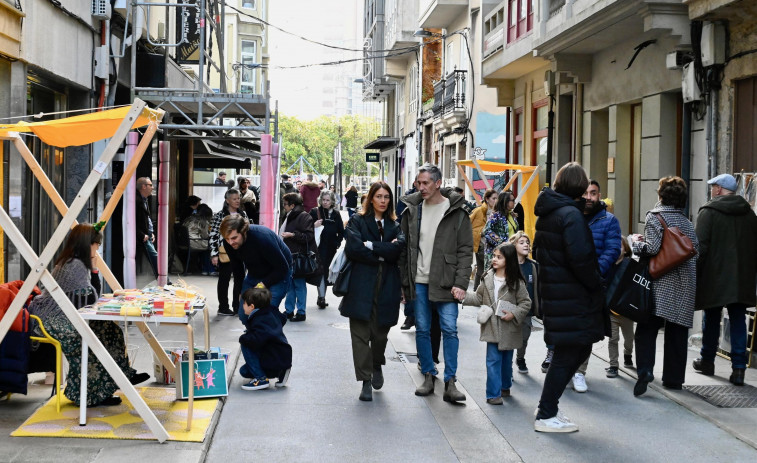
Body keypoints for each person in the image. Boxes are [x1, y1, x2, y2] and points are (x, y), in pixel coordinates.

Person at [29, 223, 149, 407]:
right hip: (51, 319)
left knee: (108, 328)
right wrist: (94, 268)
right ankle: (88, 394)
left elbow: (88, 297)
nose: (98, 249)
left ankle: (117, 379)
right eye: (96, 245)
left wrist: (92, 269)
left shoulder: (73, 261)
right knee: (87, 339)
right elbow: (91, 298)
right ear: (88, 244)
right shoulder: (74, 265)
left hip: (61, 315)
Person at [533, 162, 605, 433]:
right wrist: (597, 285)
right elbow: (582, 259)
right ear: (579, 186)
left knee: (573, 350)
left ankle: (548, 407)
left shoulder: (552, 213)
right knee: (569, 353)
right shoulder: (570, 216)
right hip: (571, 296)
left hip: (558, 293)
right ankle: (546, 412)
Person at [399, 163, 473, 403]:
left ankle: (451, 380)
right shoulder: (412, 211)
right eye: (418, 183)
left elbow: (465, 250)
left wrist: (461, 283)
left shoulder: (456, 212)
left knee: (449, 329)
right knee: (422, 328)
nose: (421, 187)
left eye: (426, 183)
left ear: (437, 183)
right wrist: (404, 284)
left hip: (447, 281)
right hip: (419, 280)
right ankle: (428, 374)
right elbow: (405, 250)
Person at [631, 176, 698, 396]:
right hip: (685, 281)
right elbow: (695, 249)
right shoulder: (687, 222)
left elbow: (652, 248)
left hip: (661, 280)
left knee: (647, 327)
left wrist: (635, 243)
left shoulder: (655, 217)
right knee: (677, 331)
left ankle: (645, 371)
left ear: (661, 195)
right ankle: (674, 379)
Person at [340, 182, 405, 401]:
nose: (383, 201)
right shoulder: (357, 221)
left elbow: (398, 250)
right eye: (379, 196)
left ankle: (377, 363)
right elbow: (354, 248)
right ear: (371, 198)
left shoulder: (396, 224)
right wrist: (382, 253)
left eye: (387, 197)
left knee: (380, 334)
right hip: (361, 283)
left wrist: (372, 246)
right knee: (360, 335)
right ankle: (365, 380)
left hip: (387, 284)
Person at [693, 173, 756, 386]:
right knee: (738, 319)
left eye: (713, 187)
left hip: (715, 276)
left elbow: (699, 249)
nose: (711, 190)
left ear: (719, 189)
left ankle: (707, 361)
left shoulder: (709, 212)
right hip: (741, 278)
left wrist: (695, 274)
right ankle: (739, 369)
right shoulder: (749, 214)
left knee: (711, 317)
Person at [569, 179, 622, 391]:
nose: (589, 198)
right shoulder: (571, 217)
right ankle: (565, 367)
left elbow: (612, 250)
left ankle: (580, 371)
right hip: (570, 283)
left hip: (594, 284)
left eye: (593, 193)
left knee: (587, 330)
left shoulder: (609, 220)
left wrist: (592, 273)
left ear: (599, 195)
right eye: (586, 193)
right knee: (569, 328)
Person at [463, 243, 531, 405]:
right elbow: (479, 298)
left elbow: (526, 303)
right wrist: (462, 296)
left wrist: (513, 313)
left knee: (506, 362)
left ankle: (505, 386)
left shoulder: (516, 282)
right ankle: (493, 394)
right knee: (493, 360)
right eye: (494, 256)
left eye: (499, 257)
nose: (494, 259)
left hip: (509, 329)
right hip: (491, 327)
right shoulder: (487, 278)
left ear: (509, 260)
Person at [219, 215, 292, 321]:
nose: (230, 242)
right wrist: (239, 293)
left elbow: (282, 267)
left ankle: (266, 333)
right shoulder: (229, 243)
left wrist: (262, 284)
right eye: (227, 238)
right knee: (244, 314)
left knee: (265, 313)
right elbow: (237, 269)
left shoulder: (262, 237)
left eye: (234, 238)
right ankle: (254, 333)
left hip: (279, 270)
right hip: (255, 272)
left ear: (243, 231)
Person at [239, 284, 292, 391]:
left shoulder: (260, 319)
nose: (243, 306)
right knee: (244, 371)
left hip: (274, 358)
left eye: (244, 303)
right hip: (282, 356)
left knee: (245, 342)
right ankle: (281, 371)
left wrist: (244, 338)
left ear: (252, 306)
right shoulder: (270, 312)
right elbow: (282, 319)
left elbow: (257, 339)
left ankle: (261, 379)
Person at [209, 188, 248, 316]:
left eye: (238, 198)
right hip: (224, 252)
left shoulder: (243, 214)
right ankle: (223, 307)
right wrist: (214, 254)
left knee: (240, 279)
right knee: (224, 279)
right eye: (234, 199)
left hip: (241, 252)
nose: (238, 201)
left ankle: (237, 306)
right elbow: (213, 234)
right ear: (227, 200)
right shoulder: (220, 216)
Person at [280, 192, 316, 322]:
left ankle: (301, 312)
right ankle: (289, 311)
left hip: (298, 255)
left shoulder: (303, 216)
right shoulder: (290, 215)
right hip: (290, 255)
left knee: (298, 284)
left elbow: (308, 236)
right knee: (291, 284)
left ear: (292, 205)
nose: (284, 207)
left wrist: (293, 235)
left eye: (285, 204)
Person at [605, 237, 636, 376]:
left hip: (626, 311)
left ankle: (627, 354)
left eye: (621, 247)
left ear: (626, 249)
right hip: (611, 310)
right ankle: (613, 366)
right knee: (613, 339)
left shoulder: (630, 265)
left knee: (629, 338)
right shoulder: (608, 265)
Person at [509, 231, 539, 374]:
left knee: (524, 337)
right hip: (509, 309)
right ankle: (507, 366)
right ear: (514, 246)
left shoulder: (533, 266)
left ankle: (520, 358)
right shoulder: (508, 264)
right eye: (521, 243)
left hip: (527, 310)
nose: (526, 245)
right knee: (508, 338)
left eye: (527, 242)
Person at [310, 189, 345, 309]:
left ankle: (321, 296)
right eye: (323, 200)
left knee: (326, 272)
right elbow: (307, 227)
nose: (325, 202)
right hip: (318, 248)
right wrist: (314, 225)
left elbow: (341, 231)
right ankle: (321, 297)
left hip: (331, 249)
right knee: (320, 272)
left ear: (332, 201)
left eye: (327, 200)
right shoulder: (315, 212)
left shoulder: (336, 214)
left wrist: (337, 242)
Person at [397, 176, 419, 329]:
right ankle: (409, 317)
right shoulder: (406, 201)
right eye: (420, 182)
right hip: (409, 248)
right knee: (409, 284)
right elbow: (399, 220)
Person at [482, 190, 518, 270]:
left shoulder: (512, 215)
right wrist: (502, 243)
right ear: (506, 201)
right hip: (496, 254)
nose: (514, 202)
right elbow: (487, 231)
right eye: (512, 200)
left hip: (510, 253)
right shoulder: (496, 215)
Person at [470, 189, 498, 290]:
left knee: (481, 269)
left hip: (489, 245)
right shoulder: (479, 211)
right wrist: (481, 232)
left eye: (497, 198)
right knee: (489, 269)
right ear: (487, 199)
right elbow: (468, 224)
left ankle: (476, 291)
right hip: (482, 245)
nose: (496, 200)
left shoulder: (496, 212)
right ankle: (484, 292)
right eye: (493, 198)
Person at [135, 177, 159, 278]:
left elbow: (146, 219)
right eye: (150, 185)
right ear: (144, 187)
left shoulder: (144, 199)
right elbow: (133, 221)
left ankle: (164, 279)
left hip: (147, 234)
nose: (152, 188)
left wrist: (150, 232)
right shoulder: (137, 201)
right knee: (155, 257)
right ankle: (165, 280)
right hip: (143, 236)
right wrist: (142, 234)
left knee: (154, 257)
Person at [182, 203, 214, 275]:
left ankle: (205, 269)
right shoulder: (203, 222)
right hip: (194, 242)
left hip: (185, 242)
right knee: (210, 246)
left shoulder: (189, 218)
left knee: (206, 245)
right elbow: (205, 236)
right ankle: (209, 269)